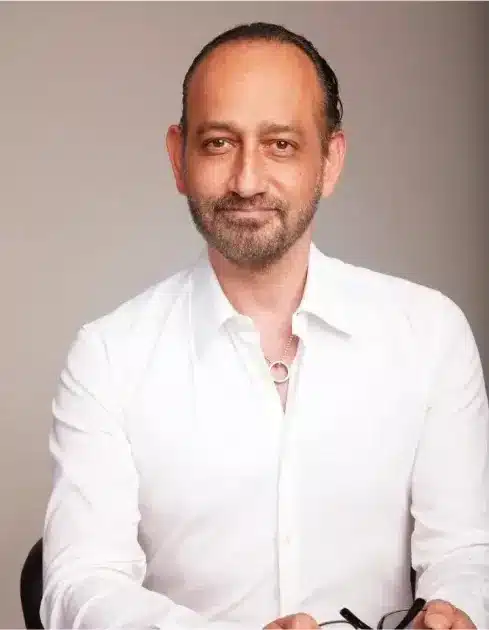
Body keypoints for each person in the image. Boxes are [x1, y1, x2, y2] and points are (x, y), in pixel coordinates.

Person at [40, 22, 489, 630]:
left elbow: (467, 551)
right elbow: (80, 583)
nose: (247, 181)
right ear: (178, 158)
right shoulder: (107, 358)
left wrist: (459, 612)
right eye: (219, 143)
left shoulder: (431, 334)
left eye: (280, 144)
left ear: (328, 162)